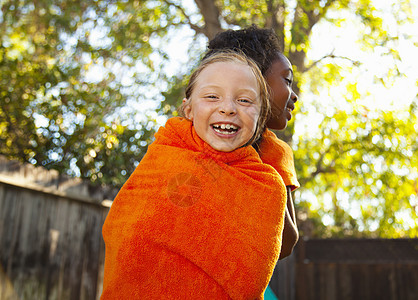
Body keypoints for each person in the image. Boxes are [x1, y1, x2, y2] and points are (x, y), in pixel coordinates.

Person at [101, 51, 288, 299]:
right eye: (212, 96)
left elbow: (249, 282)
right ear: (188, 109)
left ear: (260, 116)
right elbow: (121, 230)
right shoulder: (165, 153)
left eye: (244, 101)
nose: (228, 109)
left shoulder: (266, 186)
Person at [205, 25, 300, 260]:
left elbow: (286, 242)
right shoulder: (185, 138)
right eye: (287, 80)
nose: (294, 94)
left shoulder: (274, 151)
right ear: (254, 79)